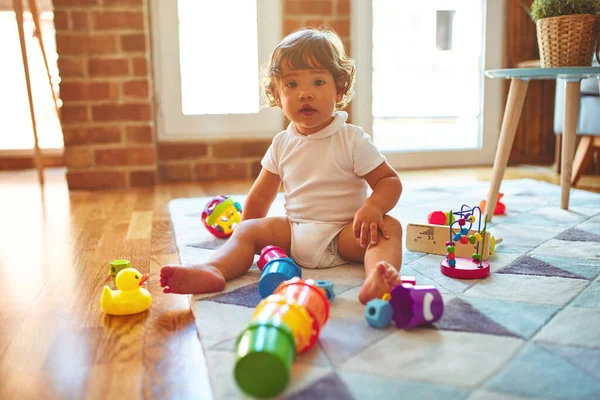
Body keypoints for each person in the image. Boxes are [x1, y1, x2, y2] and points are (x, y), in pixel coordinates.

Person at [160, 27, 403, 304]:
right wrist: (244, 232)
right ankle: (214, 268)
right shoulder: (281, 143)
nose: (305, 94)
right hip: (294, 232)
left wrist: (373, 207)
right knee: (248, 231)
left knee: (389, 228)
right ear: (277, 96)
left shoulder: (352, 139)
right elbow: (261, 194)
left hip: (345, 234)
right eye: (292, 84)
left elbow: (389, 181)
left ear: (339, 89)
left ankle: (378, 277)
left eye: (318, 82)